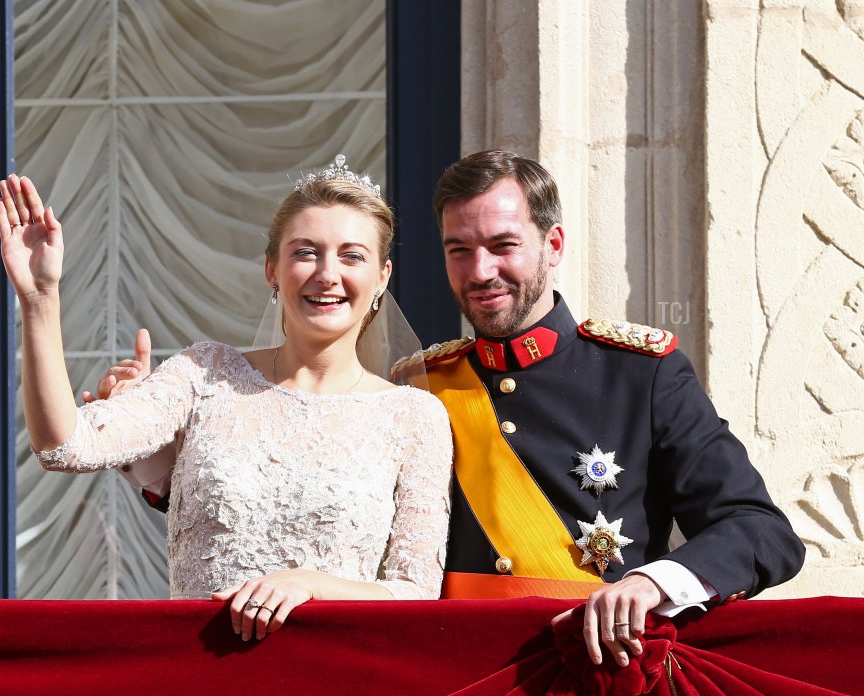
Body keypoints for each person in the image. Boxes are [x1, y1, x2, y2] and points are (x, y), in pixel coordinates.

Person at [99, 150, 805, 668]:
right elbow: (307, 486)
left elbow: (758, 530)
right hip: (448, 684)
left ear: (552, 246)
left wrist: (653, 583)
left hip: (589, 676)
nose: (481, 272)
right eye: (459, 250)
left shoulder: (640, 375)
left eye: (503, 247)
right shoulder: (419, 385)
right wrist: (149, 457)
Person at [0, 157, 453, 643]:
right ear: (272, 270)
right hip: (198, 679)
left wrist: (313, 585)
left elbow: (414, 591)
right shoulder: (205, 373)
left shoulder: (414, 417)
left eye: (351, 256)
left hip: (332, 684)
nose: (326, 273)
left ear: (382, 276)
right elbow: (65, 447)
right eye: (305, 252)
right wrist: (40, 300)